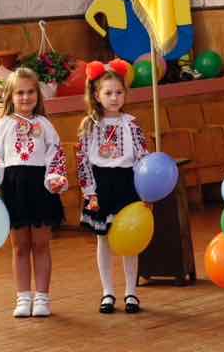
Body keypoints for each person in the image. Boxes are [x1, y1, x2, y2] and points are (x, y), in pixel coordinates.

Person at [0, 66, 68, 319]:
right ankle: (23, 297)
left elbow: (56, 154)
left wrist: (55, 178)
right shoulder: (2, 126)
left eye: (30, 92)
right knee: (20, 246)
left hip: (40, 188)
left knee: (41, 244)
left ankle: (42, 297)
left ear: (38, 95)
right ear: (10, 96)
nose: (25, 97)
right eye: (19, 92)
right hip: (14, 189)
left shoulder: (45, 125)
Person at [76, 61, 145, 314]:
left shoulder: (132, 124)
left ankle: (131, 292)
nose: (114, 98)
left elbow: (142, 157)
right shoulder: (89, 125)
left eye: (119, 92)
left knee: (130, 239)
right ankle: (107, 292)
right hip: (101, 185)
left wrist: (145, 189)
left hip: (127, 184)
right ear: (97, 95)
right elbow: (82, 160)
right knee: (103, 239)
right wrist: (89, 191)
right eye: (108, 93)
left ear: (125, 94)